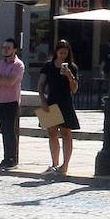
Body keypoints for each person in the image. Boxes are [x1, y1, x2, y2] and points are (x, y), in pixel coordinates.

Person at [39, 39, 80, 175]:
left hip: (65, 103)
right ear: (56, 52)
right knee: (52, 133)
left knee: (66, 133)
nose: (63, 55)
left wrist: (69, 76)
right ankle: (54, 163)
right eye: (61, 52)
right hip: (51, 101)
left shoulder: (72, 67)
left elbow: (74, 89)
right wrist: (43, 101)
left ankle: (65, 165)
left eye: (65, 53)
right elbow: (41, 84)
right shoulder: (48, 66)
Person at [0, 38, 25, 170]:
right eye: (4, 47)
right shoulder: (0, 63)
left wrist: (0, 80)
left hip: (12, 102)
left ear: (15, 50)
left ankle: (12, 159)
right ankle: (6, 157)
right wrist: (0, 80)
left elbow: (11, 82)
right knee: (4, 131)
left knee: (10, 130)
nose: (5, 50)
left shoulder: (18, 65)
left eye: (8, 47)